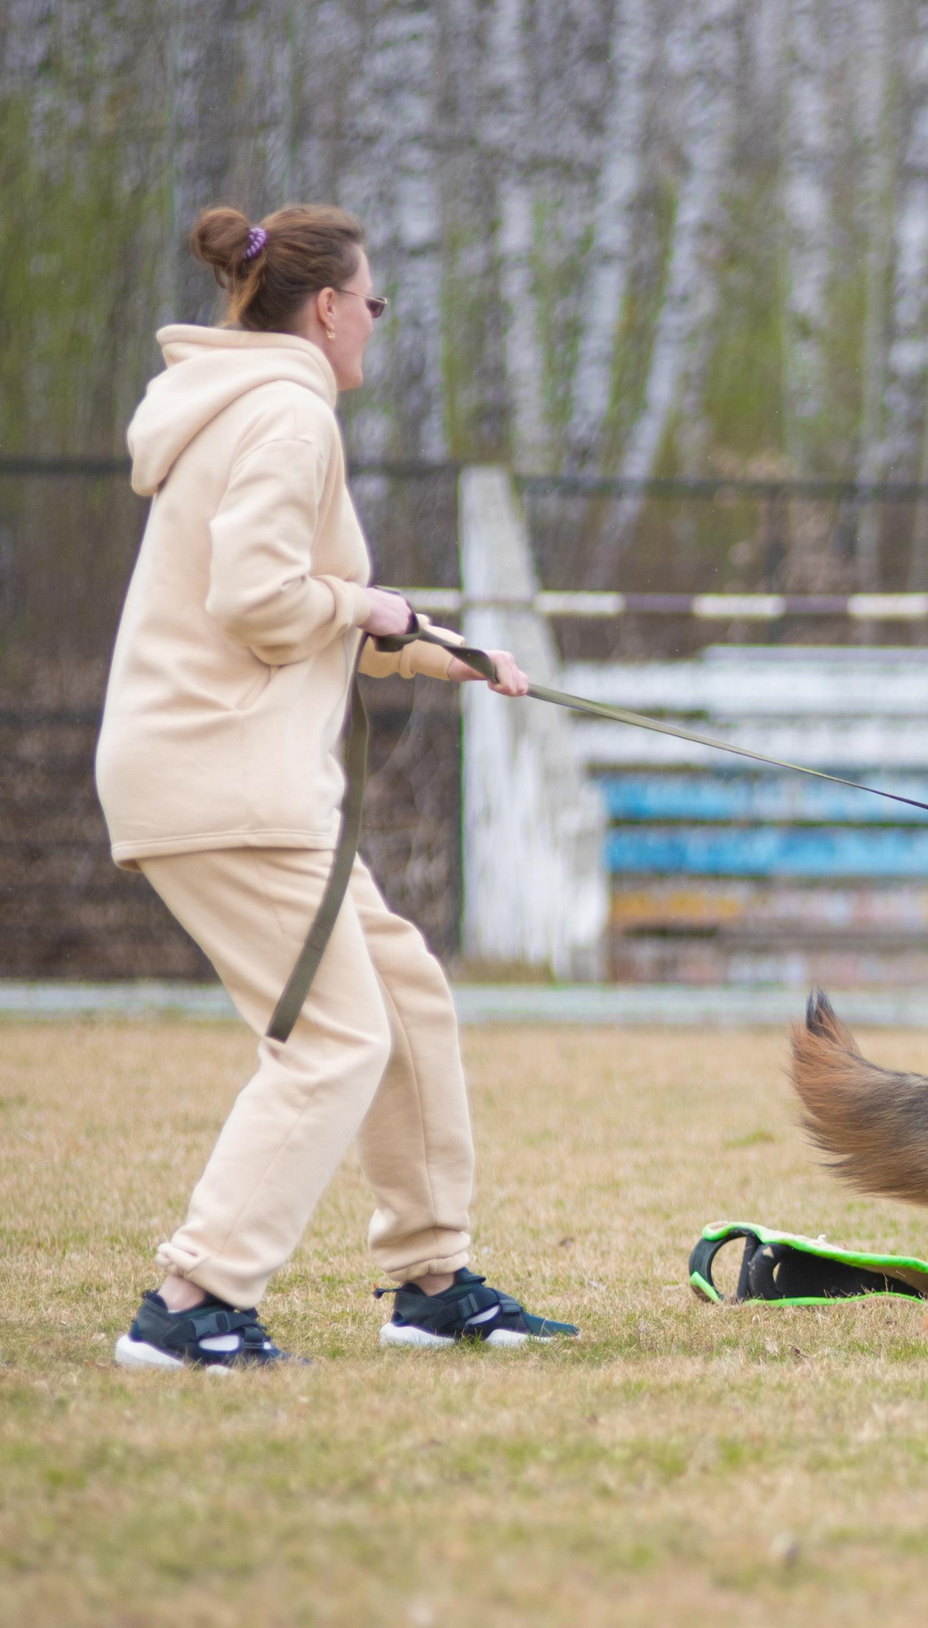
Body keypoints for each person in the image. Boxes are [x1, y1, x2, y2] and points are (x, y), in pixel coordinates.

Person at [100, 203, 575, 1369]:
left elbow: (295, 601)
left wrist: (441, 647)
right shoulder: (287, 412)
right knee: (334, 1041)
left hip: (231, 767)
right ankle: (192, 1300)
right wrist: (369, 607)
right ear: (326, 307)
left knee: (403, 993)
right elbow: (263, 603)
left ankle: (433, 1280)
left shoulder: (241, 403)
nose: (375, 324)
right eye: (374, 303)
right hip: (229, 777)